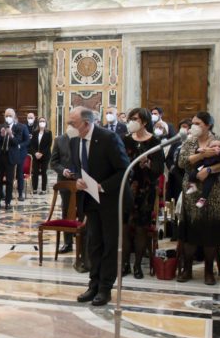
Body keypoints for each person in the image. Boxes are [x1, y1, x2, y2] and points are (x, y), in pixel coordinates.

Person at [65, 108, 130, 307]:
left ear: (85, 123)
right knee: (94, 244)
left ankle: (105, 288)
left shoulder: (108, 138)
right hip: (90, 200)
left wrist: (102, 186)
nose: (69, 126)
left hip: (111, 199)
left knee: (109, 245)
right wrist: (77, 181)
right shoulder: (75, 140)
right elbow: (80, 168)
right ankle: (93, 285)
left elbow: (124, 170)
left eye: (73, 123)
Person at [177, 112, 220, 285]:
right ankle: (187, 269)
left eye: (198, 123)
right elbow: (182, 163)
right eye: (193, 122)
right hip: (192, 191)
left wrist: (210, 170)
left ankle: (209, 271)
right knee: (191, 230)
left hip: (216, 191)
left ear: (208, 125)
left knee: (211, 231)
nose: (194, 125)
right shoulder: (190, 141)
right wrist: (202, 155)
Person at [121, 108, 163, 279]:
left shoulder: (154, 142)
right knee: (124, 228)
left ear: (144, 122)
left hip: (145, 190)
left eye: (135, 119)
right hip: (127, 188)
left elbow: (158, 170)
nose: (131, 121)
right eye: (130, 118)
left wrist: (147, 164)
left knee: (140, 229)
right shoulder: (125, 140)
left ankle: (138, 265)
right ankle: (125, 264)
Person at [49, 124, 80, 256]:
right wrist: (63, 171)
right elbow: (53, 162)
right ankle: (67, 242)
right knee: (67, 210)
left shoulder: (82, 139)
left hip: (81, 181)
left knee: (83, 210)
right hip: (65, 181)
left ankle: (82, 241)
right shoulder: (59, 140)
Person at [0, 108, 29, 209]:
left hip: (11, 157)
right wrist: (1, 135)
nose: (8, 117)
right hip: (0, 156)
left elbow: (17, 142)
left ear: (14, 117)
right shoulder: (1, 126)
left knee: (9, 180)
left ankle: (8, 202)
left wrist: (11, 134)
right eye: (6, 116)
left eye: (10, 116)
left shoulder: (19, 128)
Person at [185, 139, 220, 208]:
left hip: (212, 173)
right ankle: (192, 186)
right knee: (192, 174)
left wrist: (219, 153)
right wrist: (199, 150)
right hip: (201, 167)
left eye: (219, 147)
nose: (216, 147)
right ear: (208, 147)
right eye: (214, 146)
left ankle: (203, 199)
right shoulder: (206, 151)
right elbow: (197, 151)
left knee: (208, 185)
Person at [30, 116, 52, 194]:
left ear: (45, 123)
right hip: (36, 155)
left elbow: (49, 145)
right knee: (35, 172)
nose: (42, 123)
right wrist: (35, 153)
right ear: (38, 123)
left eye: (43, 121)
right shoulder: (34, 132)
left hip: (45, 155)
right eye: (40, 121)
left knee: (43, 172)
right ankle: (35, 189)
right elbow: (31, 144)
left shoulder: (49, 132)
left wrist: (41, 153)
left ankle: (43, 189)